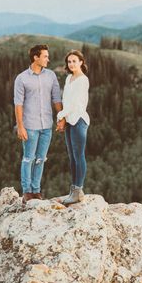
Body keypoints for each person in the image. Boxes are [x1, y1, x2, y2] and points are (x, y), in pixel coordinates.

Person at [14, 43, 62, 204]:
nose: (48, 59)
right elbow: (18, 104)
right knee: (28, 159)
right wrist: (20, 126)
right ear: (36, 57)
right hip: (30, 126)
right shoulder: (22, 78)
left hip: (46, 125)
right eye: (45, 56)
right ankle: (27, 191)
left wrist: (60, 118)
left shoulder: (51, 76)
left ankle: (36, 191)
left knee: (41, 159)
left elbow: (56, 98)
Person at [56, 49, 90, 205]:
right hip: (70, 121)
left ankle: (78, 189)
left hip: (79, 121)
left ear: (81, 62)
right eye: (69, 62)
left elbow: (76, 103)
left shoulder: (83, 80)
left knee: (79, 155)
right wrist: (64, 117)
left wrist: (60, 115)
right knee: (72, 157)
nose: (71, 64)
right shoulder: (69, 77)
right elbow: (65, 99)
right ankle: (75, 190)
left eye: (74, 61)